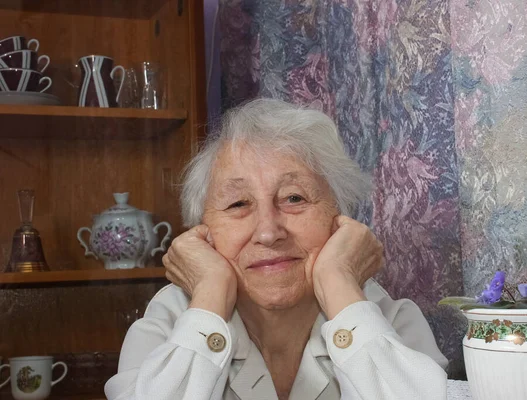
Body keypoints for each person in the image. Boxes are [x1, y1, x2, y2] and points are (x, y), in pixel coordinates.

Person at [105, 98, 448, 400]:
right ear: (202, 233)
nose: (268, 233)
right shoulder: (168, 322)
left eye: (294, 198)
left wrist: (339, 282)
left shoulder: (386, 318)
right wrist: (210, 294)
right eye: (238, 203)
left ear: (338, 218)